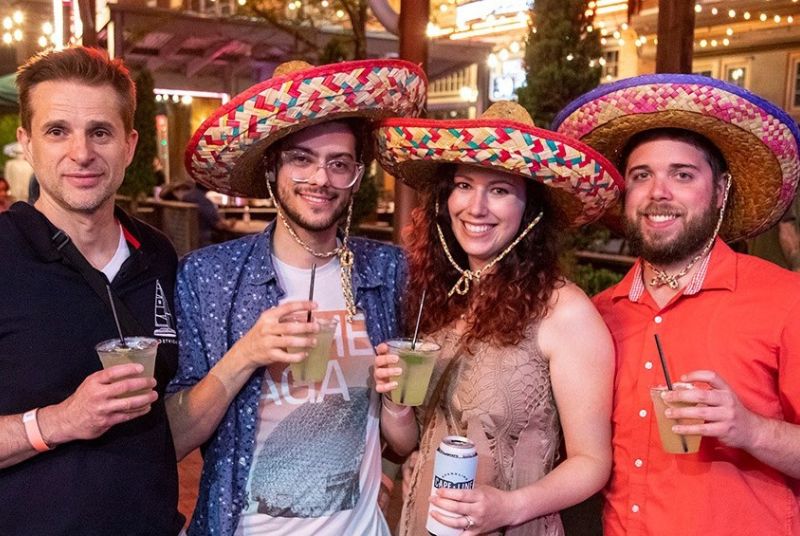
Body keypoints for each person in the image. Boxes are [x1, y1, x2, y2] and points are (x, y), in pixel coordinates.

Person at [165, 58, 426, 535]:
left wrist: (387, 466)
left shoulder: (389, 271)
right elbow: (174, 437)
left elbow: (405, 431)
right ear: (272, 165)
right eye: (301, 158)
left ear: (356, 174)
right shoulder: (208, 275)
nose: (320, 179)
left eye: (338, 163)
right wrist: (245, 354)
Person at [554, 74, 800, 535]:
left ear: (721, 190)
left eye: (682, 175)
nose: (658, 193)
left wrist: (751, 430)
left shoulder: (786, 300)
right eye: (641, 176)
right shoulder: (596, 316)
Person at [373, 101, 622, 535]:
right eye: (464, 185)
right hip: (422, 523)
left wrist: (508, 507)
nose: (476, 207)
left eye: (500, 190)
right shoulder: (438, 296)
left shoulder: (564, 311)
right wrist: (394, 405)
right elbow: (411, 442)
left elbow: (593, 463)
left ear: (531, 208)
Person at [0, 47, 183, 534]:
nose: (81, 153)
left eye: (100, 132)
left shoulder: (158, 254)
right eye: (57, 131)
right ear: (27, 144)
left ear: (129, 145)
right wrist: (58, 421)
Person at [160, 179, 232, 246]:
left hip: (183, 242)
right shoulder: (201, 200)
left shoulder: (185, 199)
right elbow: (218, 224)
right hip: (204, 241)